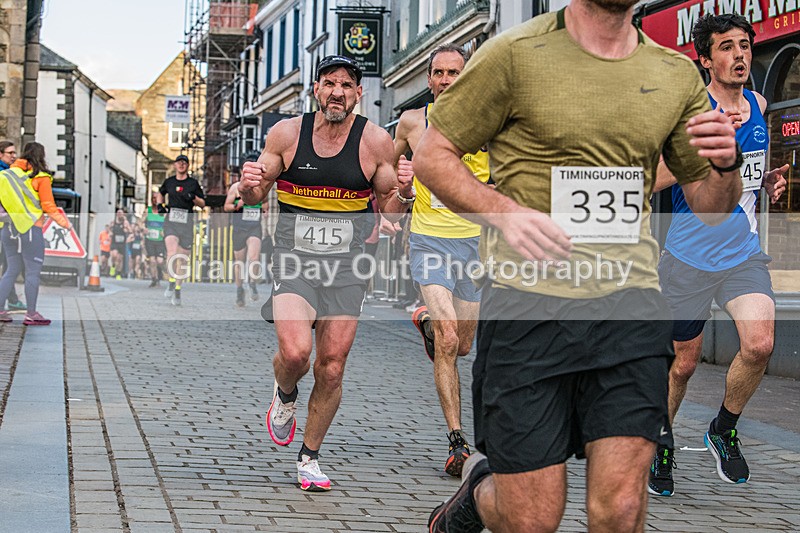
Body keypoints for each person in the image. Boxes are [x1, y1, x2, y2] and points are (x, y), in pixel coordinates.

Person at [414, 1, 745, 531]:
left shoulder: (674, 73)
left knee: (620, 509)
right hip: (527, 306)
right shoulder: (514, 55)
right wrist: (503, 212)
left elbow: (711, 208)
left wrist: (726, 165)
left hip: (630, 307)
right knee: (532, 517)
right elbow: (433, 156)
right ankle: (475, 501)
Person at [238, 55, 413, 492]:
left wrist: (405, 194)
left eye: (347, 85)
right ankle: (285, 393)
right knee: (297, 354)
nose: (338, 91)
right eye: (330, 83)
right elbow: (259, 189)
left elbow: (389, 202)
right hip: (294, 259)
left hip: (348, 267)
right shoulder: (287, 134)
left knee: (332, 366)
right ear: (316, 89)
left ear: (359, 94)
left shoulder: (374, 141)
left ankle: (310, 457)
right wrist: (248, 184)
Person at [648, 14, 789, 497]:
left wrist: (765, 181)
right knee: (682, 366)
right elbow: (651, 178)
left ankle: (723, 428)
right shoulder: (691, 113)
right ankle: (661, 437)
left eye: (745, 45)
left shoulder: (759, 103)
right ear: (705, 59)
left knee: (760, 344)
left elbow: (749, 170)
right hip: (686, 256)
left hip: (742, 253)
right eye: (726, 47)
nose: (740, 55)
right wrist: (703, 148)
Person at [393, 43, 492, 478]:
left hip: (475, 245)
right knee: (449, 339)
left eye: (454, 72)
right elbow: (386, 173)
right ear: (428, 78)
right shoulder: (413, 123)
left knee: (463, 344)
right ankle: (457, 441)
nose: (446, 79)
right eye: (438, 72)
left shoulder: (491, 122)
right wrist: (401, 192)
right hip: (429, 240)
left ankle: (427, 324)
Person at [0, 142, 71, 325]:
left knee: (11, 270)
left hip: (8, 228)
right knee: (32, 272)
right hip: (30, 229)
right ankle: (31, 313)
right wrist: (65, 224)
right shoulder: (41, 177)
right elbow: (48, 205)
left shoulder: (6, 175)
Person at [156, 154, 205, 306]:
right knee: (171, 252)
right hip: (171, 221)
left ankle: (177, 288)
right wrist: (160, 205)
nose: (181, 165)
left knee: (182, 260)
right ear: (175, 165)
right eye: (179, 163)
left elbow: (203, 204)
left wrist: (194, 198)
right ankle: (171, 281)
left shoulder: (193, 183)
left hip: (187, 223)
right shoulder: (169, 181)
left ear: (188, 166)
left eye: (184, 163)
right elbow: (160, 193)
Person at [224, 166, 264, 307]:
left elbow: (265, 205)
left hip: (254, 227)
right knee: (239, 262)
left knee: (254, 257)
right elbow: (226, 206)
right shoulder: (235, 188)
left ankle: (252, 283)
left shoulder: (260, 187)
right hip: (239, 229)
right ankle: (239, 290)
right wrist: (237, 205)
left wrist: (263, 208)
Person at [0, 140, 26, 312]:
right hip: (4, 224)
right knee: (10, 264)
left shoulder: (8, 172)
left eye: (14, 152)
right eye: (10, 153)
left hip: (7, 225)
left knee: (9, 264)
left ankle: (11, 299)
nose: (14, 156)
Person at [145, 193, 167, 287]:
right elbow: (140, 222)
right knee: (152, 260)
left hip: (160, 240)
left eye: (156, 198)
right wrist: (143, 228)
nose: (155, 200)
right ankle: (155, 279)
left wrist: (165, 231)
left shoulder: (164, 212)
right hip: (150, 239)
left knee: (160, 261)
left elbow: (169, 224)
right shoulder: (148, 210)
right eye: (153, 198)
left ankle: (161, 273)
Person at [109, 208, 131, 279]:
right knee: (114, 255)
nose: (119, 214)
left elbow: (130, 231)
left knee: (120, 259)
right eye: (118, 213)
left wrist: (127, 231)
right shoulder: (113, 222)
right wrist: (110, 233)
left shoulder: (125, 222)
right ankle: (113, 266)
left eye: (121, 213)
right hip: (114, 242)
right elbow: (109, 229)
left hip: (122, 243)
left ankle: (118, 273)